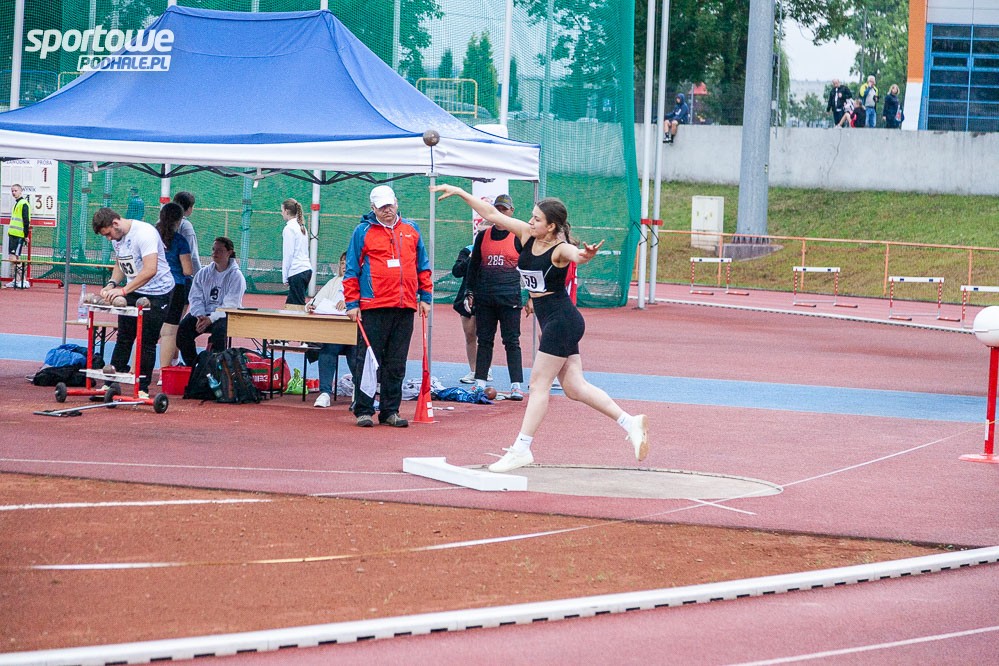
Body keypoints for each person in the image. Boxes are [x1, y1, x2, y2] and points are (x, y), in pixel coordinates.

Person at [430, 184, 649, 473]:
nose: (530, 221)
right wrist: (459, 191)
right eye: (531, 217)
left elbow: (576, 255)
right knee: (575, 388)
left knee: (538, 385)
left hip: (561, 321)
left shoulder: (560, 249)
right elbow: (491, 214)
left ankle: (521, 449)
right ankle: (630, 422)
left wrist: (586, 255)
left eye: (536, 219)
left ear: (551, 226)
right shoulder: (525, 234)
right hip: (555, 321)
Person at [343, 185, 433, 428]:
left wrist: (425, 297)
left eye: (390, 205)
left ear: (396, 203)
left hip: (404, 306)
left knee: (396, 361)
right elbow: (351, 269)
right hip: (373, 306)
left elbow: (423, 265)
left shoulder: (411, 229)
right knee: (368, 360)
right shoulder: (362, 231)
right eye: (382, 207)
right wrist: (352, 303)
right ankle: (363, 410)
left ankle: (390, 410)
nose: (387, 210)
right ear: (373, 208)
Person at [92, 207, 174, 398]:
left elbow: (150, 269)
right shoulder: (117, 238)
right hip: (134, 289)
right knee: (124, 336)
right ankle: (110, 384)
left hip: (158, 292)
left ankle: (142, 388)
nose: (109, 239)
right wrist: (112, 284)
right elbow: (121, 263)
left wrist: (123, 291)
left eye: (108, 234)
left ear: (115, 223)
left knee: (147, 340)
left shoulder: (144, 233)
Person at [465, 193, 525, 400]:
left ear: (511, 212)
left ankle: (516, 385)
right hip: (486, 299)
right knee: (484, 340)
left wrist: (533, 296)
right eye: (497, 209)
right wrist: (469, 291)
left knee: (512, 341)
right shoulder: (483, 237)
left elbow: (530, 267)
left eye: (504, 209)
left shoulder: (519, 236)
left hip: (509, 299)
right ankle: (480, 382)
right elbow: (473, 267)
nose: (500, 212)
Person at [177, 236, 246, 368]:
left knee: (219, 334)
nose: (215, 253)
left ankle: (214, 368)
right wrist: (200, 315)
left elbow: (231, 305)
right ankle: (195, 366)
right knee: (183, 330)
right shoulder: (203, 273)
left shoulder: (236, 276)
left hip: (224, 316)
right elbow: (195, 297)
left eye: (219, 250)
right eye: (213, 250)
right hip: (203, 315)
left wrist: (211, 319)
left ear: (229, 252)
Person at [306, 252, 357, 409]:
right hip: (335, 333)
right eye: (342, 263)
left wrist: (350, 304)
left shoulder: (361, 282)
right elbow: (314, 302)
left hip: (355, 333)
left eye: (348, 263)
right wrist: (311, 306)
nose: (344, 266)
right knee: (328, 349)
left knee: (356, 352)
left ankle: (360, 392)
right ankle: (325, 393)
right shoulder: (333, 282)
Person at [155, 202, 193, 377]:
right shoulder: (180, 241)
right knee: (170, 332)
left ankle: (136, 370)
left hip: (153, 287)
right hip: (175, 287)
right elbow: (188, 270)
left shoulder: (151, 237)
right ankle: (164, 374)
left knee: (148, 330)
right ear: (179, 220)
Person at [451, 239, 480, 384]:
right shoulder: (467, 250)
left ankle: (485, 369)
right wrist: (470, 258)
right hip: (468, 296)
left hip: (487, 295)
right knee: (470, 334)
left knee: (485, 336)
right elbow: (457, 271)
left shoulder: (495, 249)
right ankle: (473, 370)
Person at [281, 198, 312, 309]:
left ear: (287, 211)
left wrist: (285, 276)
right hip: (305, 270)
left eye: (282, 210)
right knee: (292, 304)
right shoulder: (301, 227)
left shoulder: (289, 228)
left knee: (295, 306)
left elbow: (288, 254)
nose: (281, 213)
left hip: (297, 271)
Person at [5, 183, 29, 288]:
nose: (13, 193)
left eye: (15, 190)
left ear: (20, 191)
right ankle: (17, 280)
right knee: (14, 257)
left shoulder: (24, 203)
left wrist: (26, 236)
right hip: (13, 235)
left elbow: (26, 221)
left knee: (13, 258)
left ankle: (24, 280)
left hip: (19, 236)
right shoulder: (17, 203)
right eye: (12, 191)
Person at [173, 191, 202, 275]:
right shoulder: (186, 226)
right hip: (180, 275)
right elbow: (190, 255)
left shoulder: (160, 222)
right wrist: (198, 275)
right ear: (189, 208)